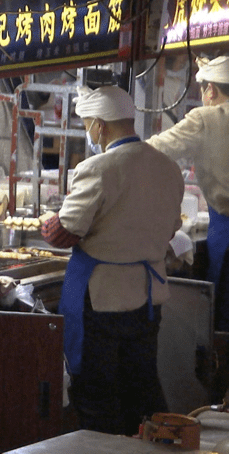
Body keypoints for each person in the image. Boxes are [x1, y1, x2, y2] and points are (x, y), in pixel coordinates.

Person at [41, 85, 184, 435]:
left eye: (89, 123)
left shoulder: (99, 168)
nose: (90, 131)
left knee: (97, 399)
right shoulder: (167, 167)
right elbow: (169, 230)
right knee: (141, 391)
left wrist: (47, 222)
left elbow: (64, 234)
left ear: (100, 126)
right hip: (147, 300)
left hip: (102, 302)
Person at [146, 55, 229, 331]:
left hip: (226, 232)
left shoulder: (208, 118)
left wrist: (116, 147)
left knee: (222, 321)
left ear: (211, 91)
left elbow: (156, 149)